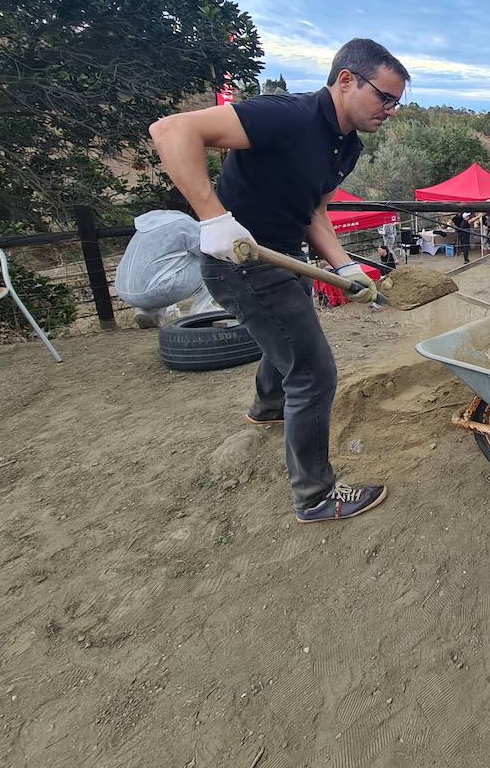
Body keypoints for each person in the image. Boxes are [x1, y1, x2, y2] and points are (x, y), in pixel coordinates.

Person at [149, 38, 410, 524]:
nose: (391, 110)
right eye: (385, 97)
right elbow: (171, 130)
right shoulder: (287, 116)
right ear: (347, 80)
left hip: (285, 256)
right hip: (242, 260)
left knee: (289, 336)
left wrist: (344, 266)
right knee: (313, 372)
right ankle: (315, 497)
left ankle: (269, 407)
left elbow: (314, 211)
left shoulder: (347, 145)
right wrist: (213, 217)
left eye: (397, 101)